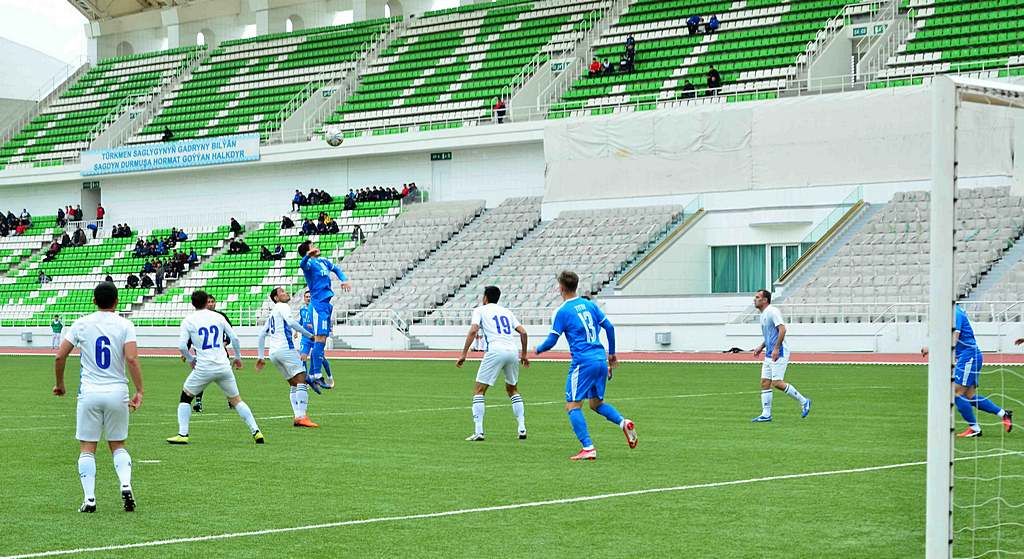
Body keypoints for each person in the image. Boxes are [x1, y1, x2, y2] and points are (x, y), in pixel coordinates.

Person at [52, 282, 143, 513]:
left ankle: (90, 498)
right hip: (117, 392)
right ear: (117, 301)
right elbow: (131, 359)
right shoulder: (125, 324)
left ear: (94, 300)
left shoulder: (81, 323)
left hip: (90, 392)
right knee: (118, 444)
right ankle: (125, 484)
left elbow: (60, 356)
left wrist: (60, 384)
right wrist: (139, 390)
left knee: (87, 447)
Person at [535, 271, 637, 460]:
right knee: (596, 403)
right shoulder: (589, 305)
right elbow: (610, 327)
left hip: (583, 362)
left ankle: (588, 447)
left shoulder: (563, 311)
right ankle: (623, 423)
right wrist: (612, 354)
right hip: (600, 359)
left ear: (561, 287)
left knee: (572, 405)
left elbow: (551, 341)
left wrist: (537, 350)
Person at [168, 290, 263, 445]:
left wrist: (191, 360)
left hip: (204, 367)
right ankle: (256, 431)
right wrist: (238, 357)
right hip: (223, 365)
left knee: (186, 396)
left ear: (192, 304)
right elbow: (235, 338)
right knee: (237, 400)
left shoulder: (188, 320)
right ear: (207, 301)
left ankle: (182, 433)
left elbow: (182, 346)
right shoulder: (218, 317)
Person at [921, 305, 1014, 437]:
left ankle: (974, 428)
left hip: (969, 356)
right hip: (969, 356)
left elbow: (955, 337)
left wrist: (933, 349)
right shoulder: (951, 313)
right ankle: (1003, 414)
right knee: (969, 397)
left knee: (956, 393)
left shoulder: (956, 314)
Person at [456, 286, 530, 441]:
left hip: (495, 350)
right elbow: (523, 332)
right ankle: (522, 427)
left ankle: (479, 431)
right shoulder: (507, 312)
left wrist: (463, 354)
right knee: (512, 389)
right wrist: (523, 355)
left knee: (479, 390)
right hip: (512, 351)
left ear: (485, 297)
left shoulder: (480, 310)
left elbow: (473, 330)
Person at [256, 287, 318, 428]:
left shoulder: (272, 313)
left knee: (293, 383)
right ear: (276, 298)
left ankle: (297, 416)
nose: (286, 293)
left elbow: (261, 335)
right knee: (302, 378)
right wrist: (310, 335)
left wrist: (261, 356)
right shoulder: (282, 306)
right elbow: (291, 323)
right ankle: (302, 416)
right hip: (285, 349)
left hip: (273, 353)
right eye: (282, 292)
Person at [298, 240, 352, 392]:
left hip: (327, 304)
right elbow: (302, 265)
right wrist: (307, 256)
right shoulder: (309, 265)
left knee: (322, 340)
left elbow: (337, 269)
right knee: (319, 339)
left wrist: (344, 280)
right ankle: (316, 375)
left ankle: (312, 375)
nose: (316, 247)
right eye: (312, 246)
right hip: (317, 305)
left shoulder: (322, 261)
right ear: (308, 251)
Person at [750, 289, 811, 422]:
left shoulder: (773, 311)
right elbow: (770, 335)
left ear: (765, 300)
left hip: (779, 352)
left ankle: (804, 401)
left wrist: (777, 348)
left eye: (757, 297)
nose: (754, 300)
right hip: (769, 352)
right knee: (765, 382)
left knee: (777, 383)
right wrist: (761, 347)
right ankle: (766, 414)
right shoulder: (763, 314)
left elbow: (782, 329)